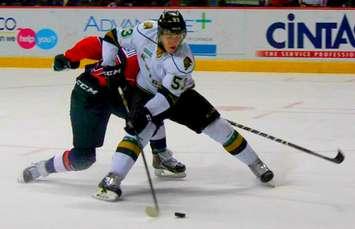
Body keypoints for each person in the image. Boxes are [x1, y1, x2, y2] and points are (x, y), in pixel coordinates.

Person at [94, 10, 274, 201]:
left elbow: (166, 99)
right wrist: (108, 66)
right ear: (159, 32)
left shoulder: (183, 60)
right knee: (138, 133)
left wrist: (145, 113)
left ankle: (256, 164)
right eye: (169, 35)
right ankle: (112, 179)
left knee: (219, 127)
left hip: (177, 97)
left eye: (179, 35)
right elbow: (111, 37)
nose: (174, 41)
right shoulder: (144, 31)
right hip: (144, 91)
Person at [19, 35, 186, 183]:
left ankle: (161, 156)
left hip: (118, 94)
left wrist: (69, 57)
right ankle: (43, 168)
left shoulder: (161, 59)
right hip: (89, 95)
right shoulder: (143, 53)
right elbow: (96, 44)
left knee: (151, 116)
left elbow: (93, 43)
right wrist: (69, 57)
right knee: (83, 159)